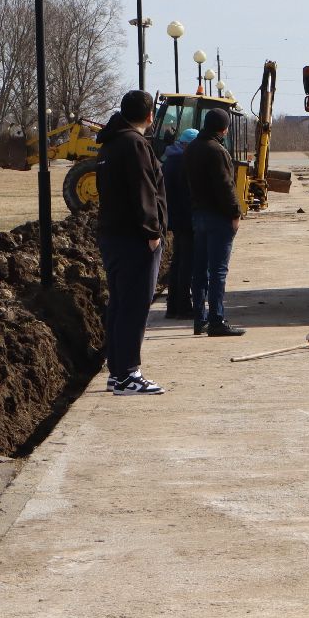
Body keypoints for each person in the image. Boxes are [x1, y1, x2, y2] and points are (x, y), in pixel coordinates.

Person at [95, 89, 168, 395]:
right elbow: (144, 190)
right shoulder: (135, 144)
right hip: (135, 238)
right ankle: (128, 374)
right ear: (150, 116)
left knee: (120, 304)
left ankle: (117, 371)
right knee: (134, 306)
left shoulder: (110, 143)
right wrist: (152, 232)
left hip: (113, 235)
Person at [187, 108, 245, 337]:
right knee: (218, 271)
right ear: (223, 128)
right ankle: (216, 321)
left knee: (199, 271)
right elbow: (225, 186)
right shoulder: (217, 150)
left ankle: (199, 320)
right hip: (218, 218)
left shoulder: (192, 148)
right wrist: (235, 213)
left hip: (198, 215)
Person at [161, 128, 200, 320]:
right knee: (187, 263)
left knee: (177, 261)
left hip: (174, 219)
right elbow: (188, 194)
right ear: (188, 145)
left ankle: (172, 306)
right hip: (186, 219)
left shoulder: (169, 161)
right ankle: (183, 306)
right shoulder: (183, 163)